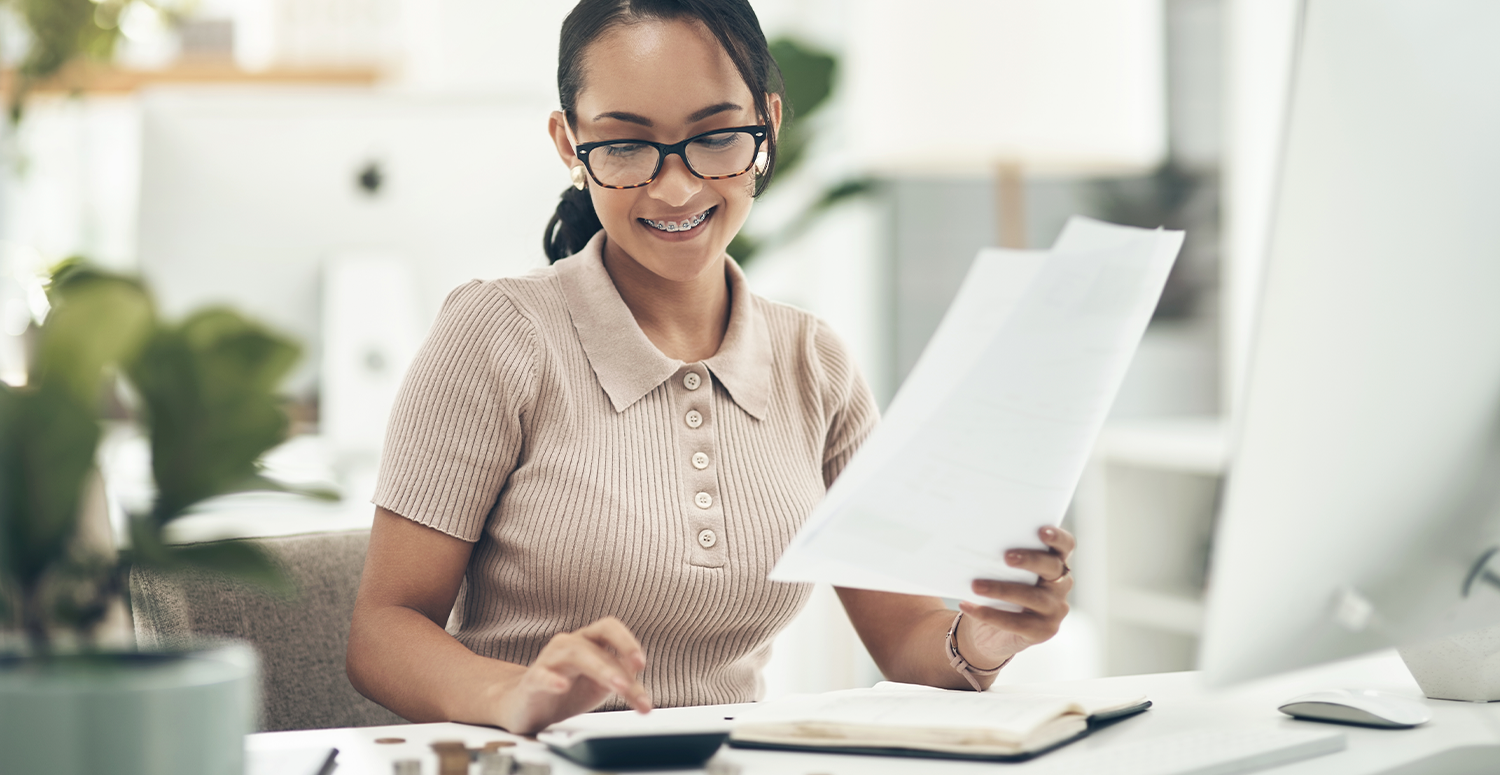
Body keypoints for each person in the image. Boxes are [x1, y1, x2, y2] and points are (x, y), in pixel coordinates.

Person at [346, 0, 1075, 736]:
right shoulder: (498, 333)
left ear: (769, 126)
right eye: (626, 146)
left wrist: (985, 636)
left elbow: (905, 637)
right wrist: (516, 694)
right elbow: (381, 631)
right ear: (569, 143)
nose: (676, 188)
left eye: (716, 137)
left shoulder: (813, 362)